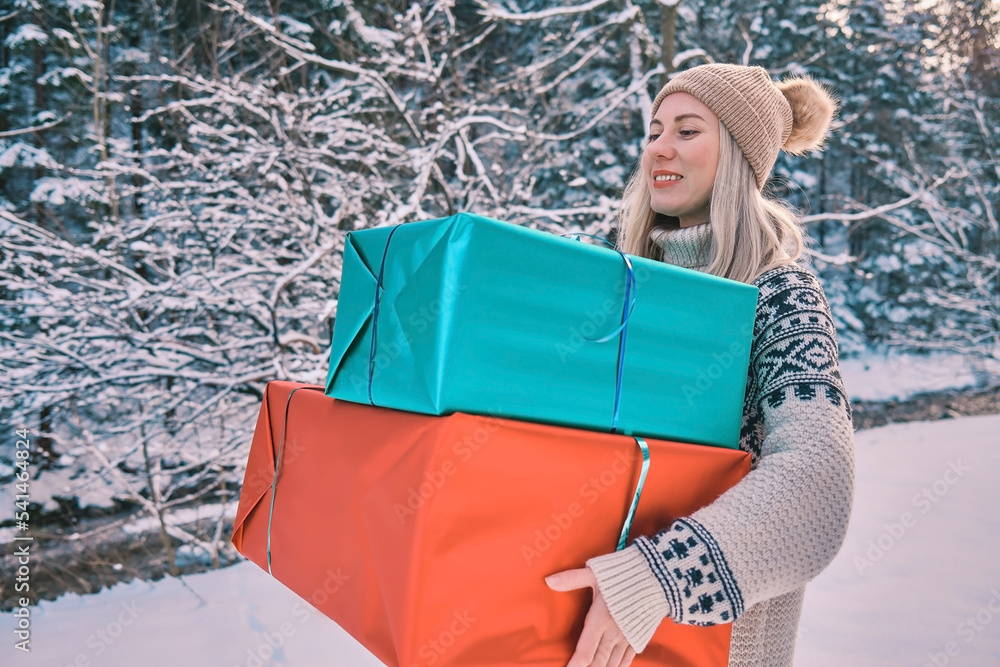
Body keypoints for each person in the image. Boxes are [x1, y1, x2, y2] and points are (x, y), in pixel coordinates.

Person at [545, 63, 856, 667]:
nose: (658, 147)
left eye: (687, 131)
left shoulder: (780, 295)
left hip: (720, 647)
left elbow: (820, 483)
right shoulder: (620, 295)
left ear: (739, 157)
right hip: (581, 632)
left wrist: (656, 578)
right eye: (655, 129)